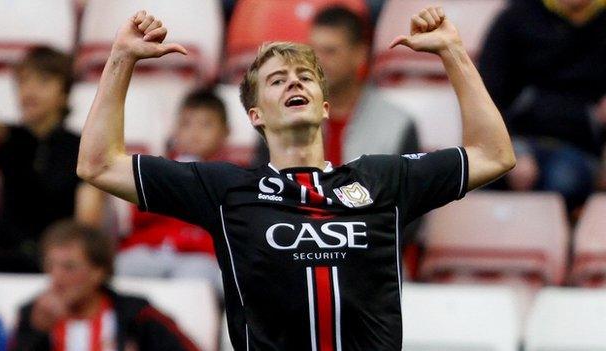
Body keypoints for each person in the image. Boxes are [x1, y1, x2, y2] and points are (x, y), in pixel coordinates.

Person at [77, 7, 515, 350]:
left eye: (304, 76)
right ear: (255, 116)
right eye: (276, 80)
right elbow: (98, 164)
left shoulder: (383, 178)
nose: (293, 83)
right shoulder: (228, 191)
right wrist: (120, 59)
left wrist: (453, 53)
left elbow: (493, 155)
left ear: (324, 106)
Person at [0, 46, 101, 272]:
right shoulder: (10, 139)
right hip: (3, 257)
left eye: (43, 82)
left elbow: (87, 222)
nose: (29, 91)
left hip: (55, 263)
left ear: (64, 93)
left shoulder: (80, 146)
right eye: (23, 82)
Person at [478, 0, 606, 212]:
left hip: (579, 149)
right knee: (481, 178)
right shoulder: (515, 18)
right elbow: (486, 98)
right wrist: (511, 152)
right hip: (516, 140)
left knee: (563, 180)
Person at [253, 6, 419, 166]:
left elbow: (406, 191)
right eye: (311, 51)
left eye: (330, 51)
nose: (317, 61)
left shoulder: (397, 124)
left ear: (360, 54)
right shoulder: (278, 116)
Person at [10, 220, 200, 351]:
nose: (56, 277)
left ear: (98, 272)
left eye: (69, 267)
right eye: (50, 266)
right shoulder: (32, 315)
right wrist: (34, 333)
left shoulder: (138, 315)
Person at [116, 89, 227, 298]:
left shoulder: (232, 174)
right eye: (186, 124)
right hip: (150, 249)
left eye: (206, 125)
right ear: (175, 130)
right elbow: (138, 213)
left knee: (197, 279)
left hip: (199, 255)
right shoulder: (157, 166)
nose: (194, 133)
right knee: (124, 267)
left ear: (225, 132)